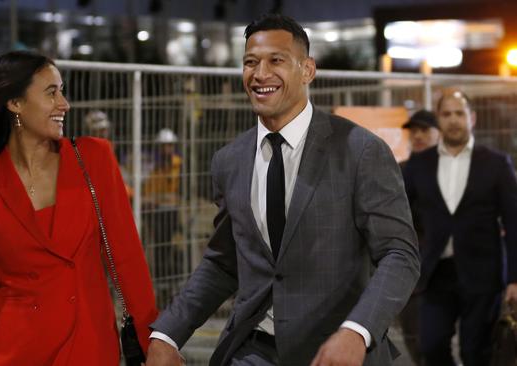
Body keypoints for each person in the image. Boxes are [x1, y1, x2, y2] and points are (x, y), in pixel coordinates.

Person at [146, 13, 420, 366]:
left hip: (335, 352)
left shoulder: (360, 150)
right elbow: (223, 262)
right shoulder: (229, 161)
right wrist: (167, 334)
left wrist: (357, 331)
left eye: (276, 60)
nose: (260, 74)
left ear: (307, 70)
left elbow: (400, 255)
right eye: (250, 62)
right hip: (252, 350)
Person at [0, 50, 157, 365]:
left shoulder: (95, 158)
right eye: (52, 93)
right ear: (15, 103)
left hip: (89, 348)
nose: (64, 104)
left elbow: (128, 260)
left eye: (62, 91)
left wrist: (155, 342)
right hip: (17, 352)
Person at [403, 90, 517, 366]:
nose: (453, 120)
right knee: (431, 346)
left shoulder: (496, 163)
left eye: (459, 113)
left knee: (475, 351)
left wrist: (515, 278)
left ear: (472, 118)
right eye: (446, 114)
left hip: (483, 274)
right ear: (439, 120)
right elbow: (399, 214)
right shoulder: (419, 164)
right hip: (435, 274)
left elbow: (514, 222)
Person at [397, 109, 440, 366]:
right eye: (414, 131)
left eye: (425, 130)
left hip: (448, 268)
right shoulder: (400, 170)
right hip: (412, 266)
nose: (418, 136)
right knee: (414, 335)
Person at [142, 128, 183, 306]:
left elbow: (183, 188)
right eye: (164, 146)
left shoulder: (178, 164)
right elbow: (148, 192)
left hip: (173, 212)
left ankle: (175, 286)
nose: (167, 149)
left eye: (170, 145)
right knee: (159, 250)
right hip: (156, 213)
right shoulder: (153, 166)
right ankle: (161, 288)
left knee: (175, 249)